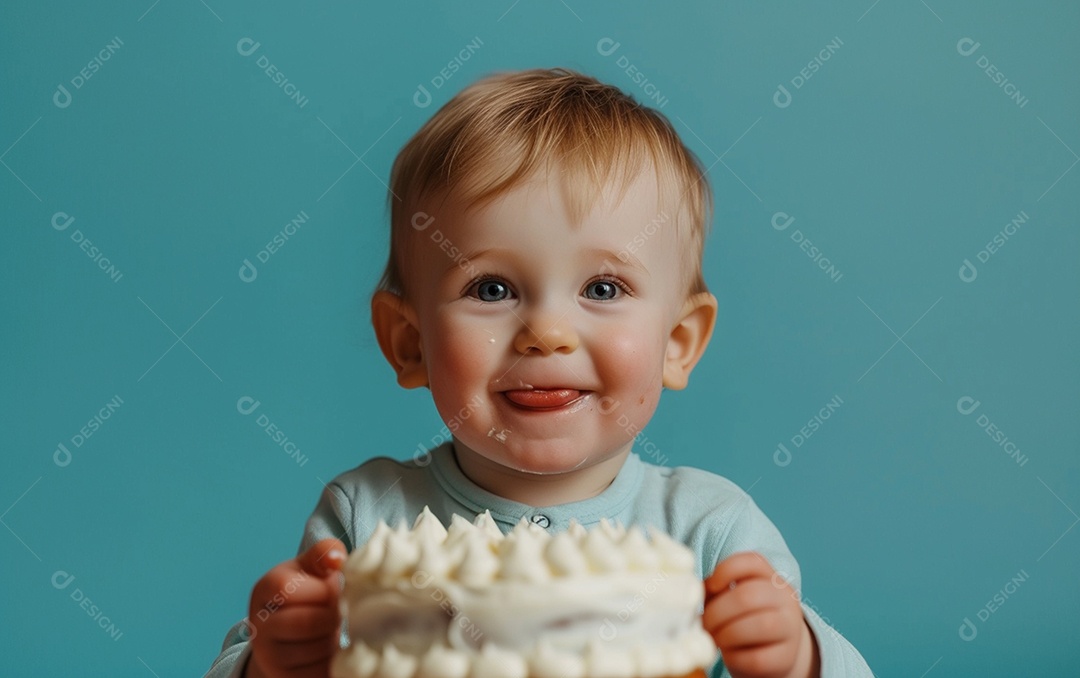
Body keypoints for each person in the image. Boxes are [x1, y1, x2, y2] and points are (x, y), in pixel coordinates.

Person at [205, 68, 873, 678]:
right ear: (409, 343)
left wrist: (797, 656)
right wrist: (276, 659)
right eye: (491, 289)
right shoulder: (366, 517)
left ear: (677, 341)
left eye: (604, 289)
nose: (547, 333)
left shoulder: (711, 532)